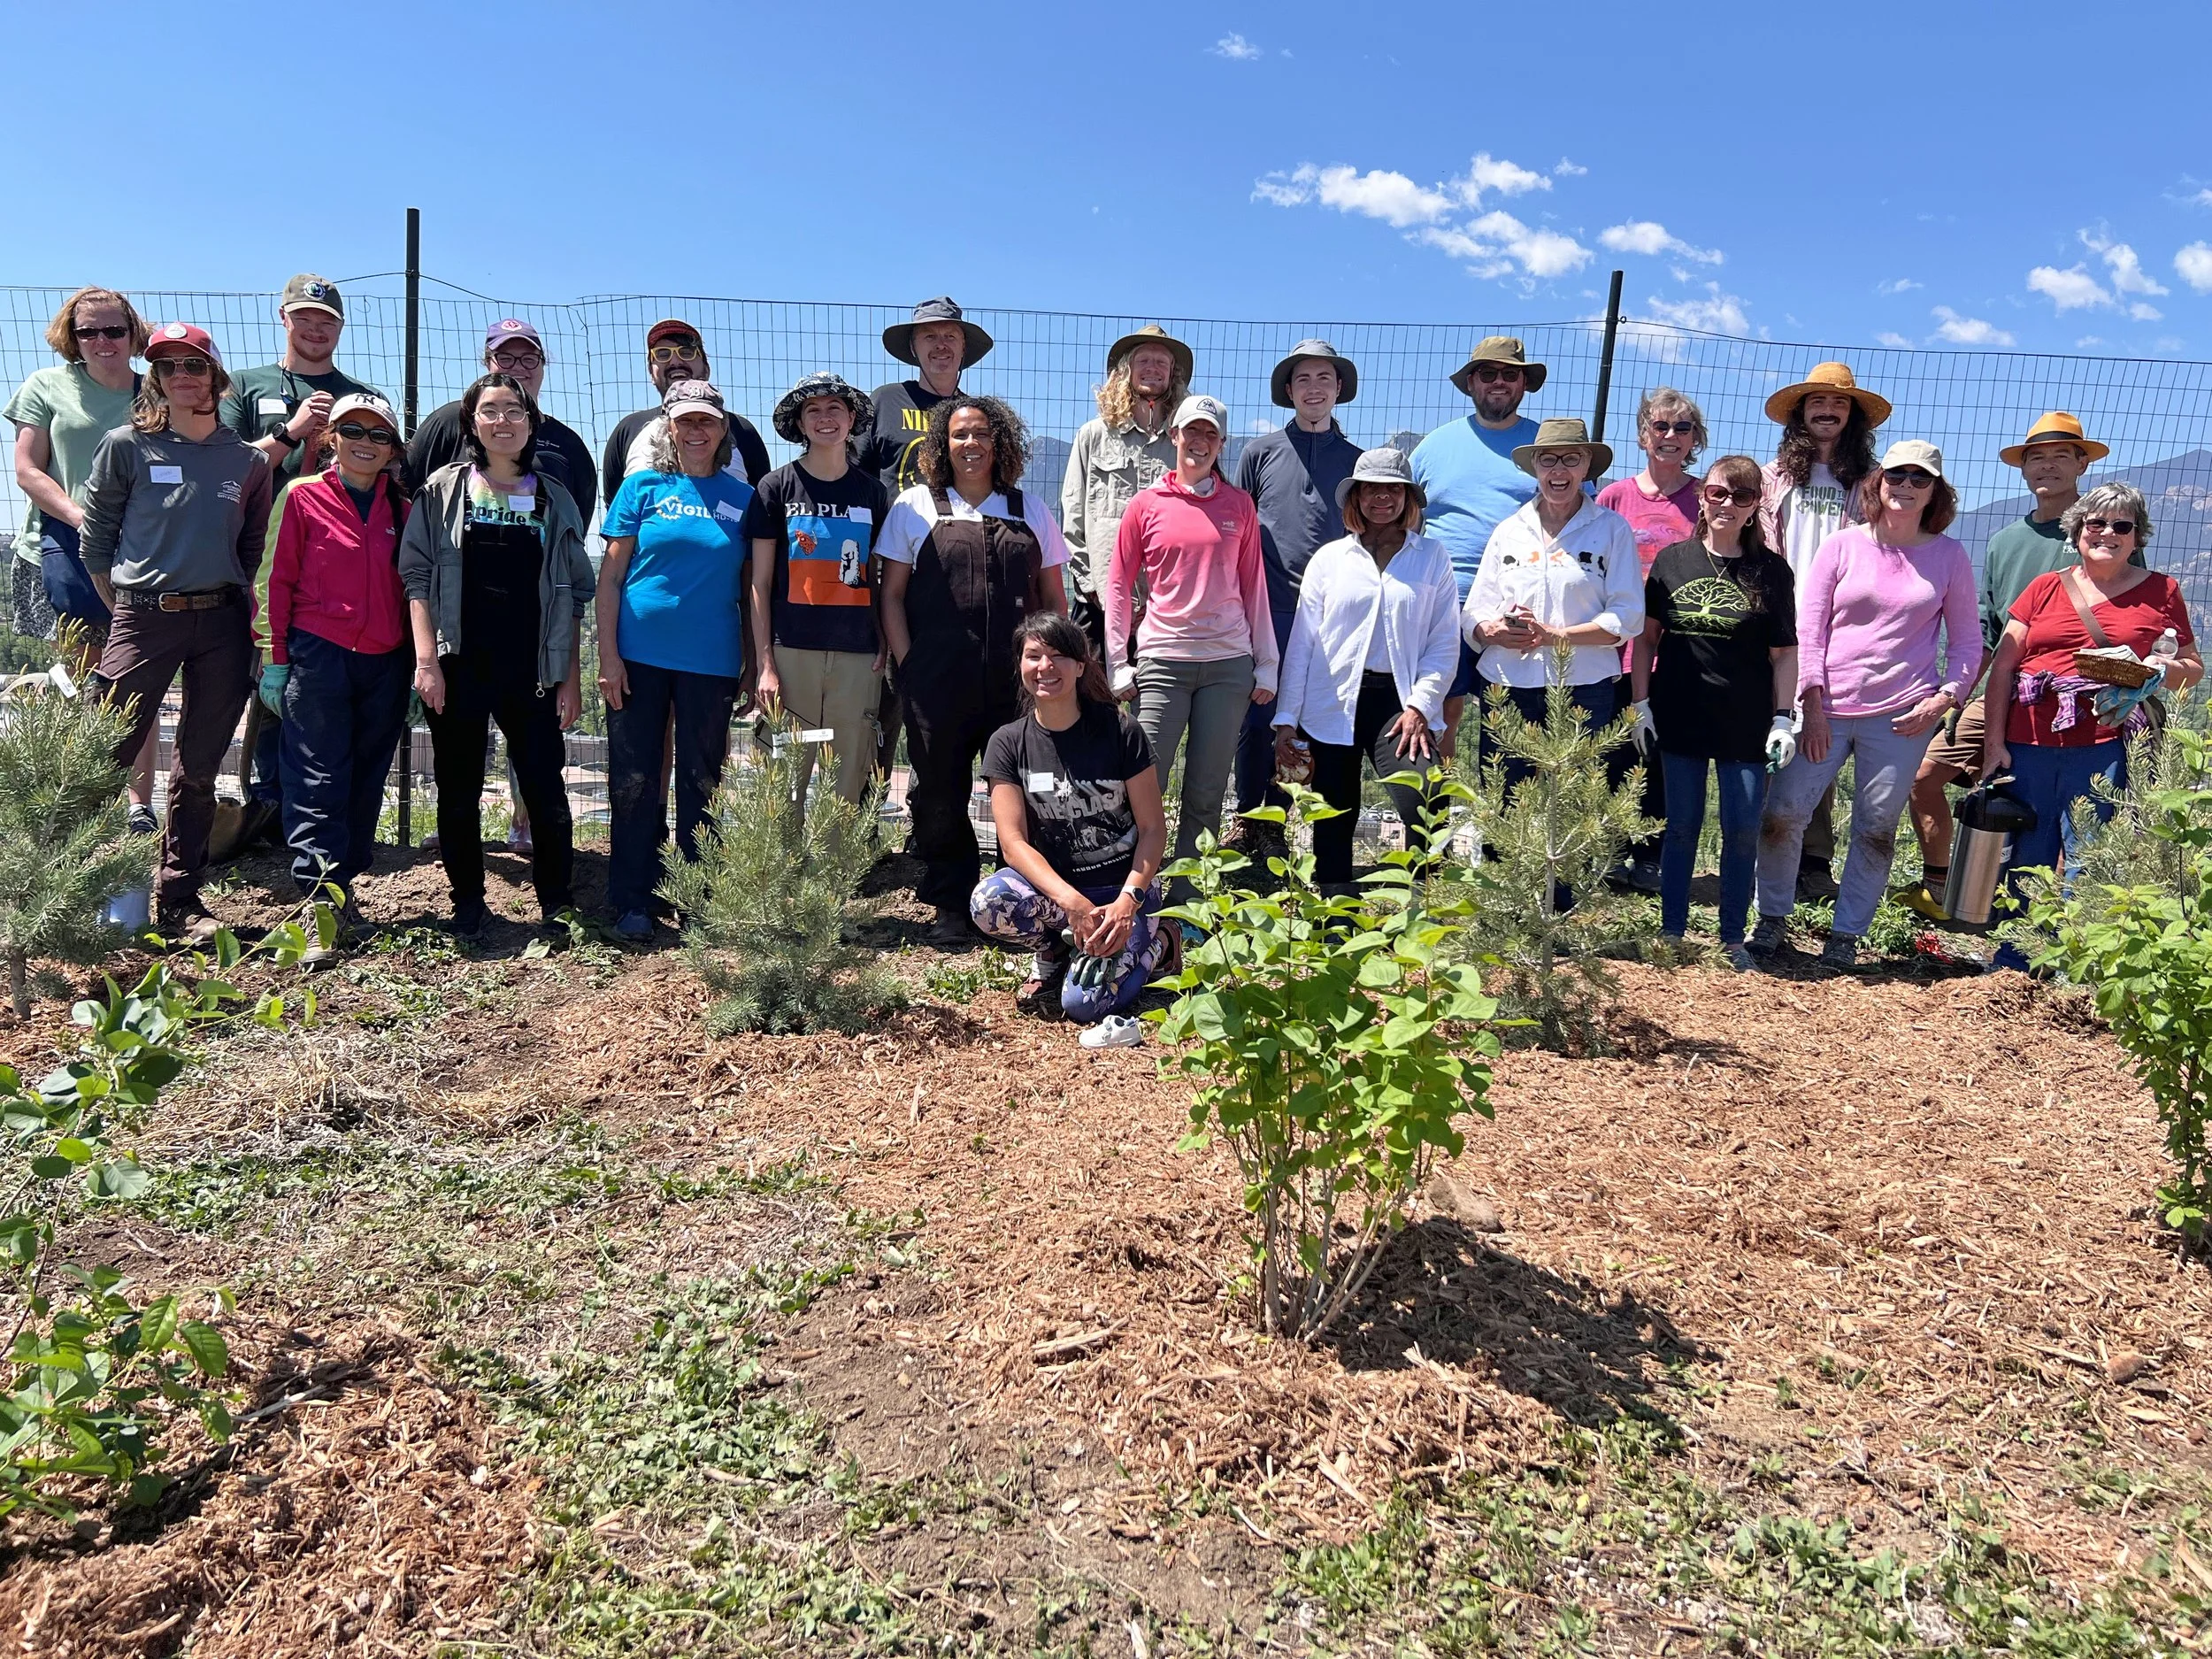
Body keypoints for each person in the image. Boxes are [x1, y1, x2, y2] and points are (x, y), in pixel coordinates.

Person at [77, 323, 273, 945]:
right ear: (156, 380)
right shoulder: (126, 447)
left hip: (220, 622)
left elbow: (250, 550)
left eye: (194, 365)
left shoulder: (244, 461)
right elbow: (96, 540)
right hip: (142, 617)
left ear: (216, 376)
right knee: (102, 753)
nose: (182, 376)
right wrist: (127, 608)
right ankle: (71, 896)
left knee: (197, 766)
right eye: (168, 367)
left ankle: (181, 898)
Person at [1751, 442, 1980, 972]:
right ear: (1877, 484)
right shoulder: (1842, 546)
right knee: (1782, 815)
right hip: (1827, 708)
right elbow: (1808, 628)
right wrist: (1811, 699)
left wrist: (1944, 699)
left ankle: (1847, 934)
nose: (1905, 487)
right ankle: (1772, 918)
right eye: (1895, 476)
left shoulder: (1949, 557)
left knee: (1876, 828)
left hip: (1903, 715)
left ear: (1935, 492)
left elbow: (1967, 642)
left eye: (1918, 480)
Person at [400, 373, 594, 940]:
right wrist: (426, 662)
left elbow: (576, 591)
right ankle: (468, 905)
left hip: (531, 668)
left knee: (545, 788)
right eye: (490, 410)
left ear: (531, 422)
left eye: (514, 410)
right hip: (458, 665)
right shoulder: (441, 490)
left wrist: (569, 678)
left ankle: (558, 904)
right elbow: (416, 577)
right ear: (472, 424)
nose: (502, 421)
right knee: (458, 789)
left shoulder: (553, 497)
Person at [1981, 482, 2200, 968]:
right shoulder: (2044, 587)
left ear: (2138, 536)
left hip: (2107, 742)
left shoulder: (2163, 591)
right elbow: (2004, 667)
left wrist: (2157, 671)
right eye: (2095, 524)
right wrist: (1992, 742)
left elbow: (2192, 666)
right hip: (2029, 739)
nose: (2107, 534)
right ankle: (2017, 962)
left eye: (2121, 525)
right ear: (2076, 531)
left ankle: (2080, 964)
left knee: (2092, 853)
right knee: (2028, 852)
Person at [879, 395, 1071, 946]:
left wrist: (1050, 670)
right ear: (942, 445)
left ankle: (1027, 901)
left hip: (1016, 684)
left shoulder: (1030, 510)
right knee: (941, 791)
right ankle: (951, 902)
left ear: (1000, 443)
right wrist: (909, 662)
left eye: (981, 434)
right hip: (936, 678)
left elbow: (1053, 598)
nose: (970, 444)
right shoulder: (913, 507)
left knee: (1028, 789)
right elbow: (890, 595)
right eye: (959, 434)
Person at [1902, 411, 2109, 917]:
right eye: (2037, 457)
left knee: (2061, 811)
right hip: (2002, 687)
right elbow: (1988, 633)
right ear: (2022, 469)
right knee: (1924, 778)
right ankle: (1946, 887)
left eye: (2062, 455)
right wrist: (1960, 695)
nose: (2048, 467)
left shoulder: (2103, 532)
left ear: (2082, 463)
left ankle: (2045, 917)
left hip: (2075, 697)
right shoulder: (2004, 542)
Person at [595, 382, 753, 943]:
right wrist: (608, 656)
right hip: (638, 656)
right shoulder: (641, 487)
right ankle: (633, 897)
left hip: (711, 659)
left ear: (722, 431)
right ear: (669, 429)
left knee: (701, 779)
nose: (696, 431)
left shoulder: (743, 498)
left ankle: (696, 897)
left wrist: (755, 663)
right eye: (685, 422)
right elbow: (609, 578)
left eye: (707, 422)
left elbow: (752, 585)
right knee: (635, 778)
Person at [1630, 455, 1798, 970]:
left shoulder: (1771, 572)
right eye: (1719, 493)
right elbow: (1646, 640)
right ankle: (1673, 931)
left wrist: (1783, 717)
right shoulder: (1672, 562)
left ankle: (1730, 938)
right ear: (1703, 496)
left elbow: (1784, 652)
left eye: (1742, 496)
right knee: (1679, 827)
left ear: (1755, 506)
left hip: (1745, 721)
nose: (1728, 504)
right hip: (1679, 713)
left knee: (1742, 828)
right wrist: (1641, 705)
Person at [260, 394, 411, 949]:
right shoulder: (301, 497)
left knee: (367, 774)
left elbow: (415, 589)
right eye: (353, 430)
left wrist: (417, 662)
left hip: (386, 660)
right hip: (319, 655)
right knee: (318, 774)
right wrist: (275, 660)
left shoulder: (405, 508)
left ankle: (343, 886)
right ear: (332, 438)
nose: (365, 443)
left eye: (378, 434)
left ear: (393, 448)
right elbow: (273, 581)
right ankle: (318, 901)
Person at [1106, 395, 1278, 882]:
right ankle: (1135, 890)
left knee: (1205, 792)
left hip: (1228, 665)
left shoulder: (1239, 506)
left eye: (1211, 435)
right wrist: (1118, 661)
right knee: (1145, 784)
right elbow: (1119, 585)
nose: (1200, 443)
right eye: (1192, 432)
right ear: (1174, 436)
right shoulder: (1146, 505)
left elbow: (1254, 587)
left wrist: (1266, 663)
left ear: (1221, 444)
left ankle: (1186, 900)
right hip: (1163, 661)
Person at [972, 611, 1171, 1030]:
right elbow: (1013, 844)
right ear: (1020, 666)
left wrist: (1128, 901)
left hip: (1122, 895)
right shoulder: (1007, 743)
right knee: (988, 903)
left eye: (1059, 656)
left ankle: (1162, 941)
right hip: (1061, 898)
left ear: (1081, 666)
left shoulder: (1121, 731)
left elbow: (1153, 830)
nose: (1045, 667)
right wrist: (1071, 903)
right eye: (1033, 656)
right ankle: (1056, 949)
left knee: (1084, 1007)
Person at [6, 286, 157, 828]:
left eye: (113, 330)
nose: (101, 341)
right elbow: (28, 469)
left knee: (137, 675)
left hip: (141, 550)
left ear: (132, 334)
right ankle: (84, 801)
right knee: (86, 674)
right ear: (71, 337)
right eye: (87, 331)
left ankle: (138, 804)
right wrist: (80, 518)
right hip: (65, 543)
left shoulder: (155, 392)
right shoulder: (45, 387)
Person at [1271, 448, 1456, 887]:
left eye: (1393, 489)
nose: (1382, 498)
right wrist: (1286, 719)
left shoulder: (1432, 557)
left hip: (1400, 704)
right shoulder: (1329, 560)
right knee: (1334, 813)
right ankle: (1335, 916)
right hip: (1331, 701)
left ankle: (1416, 904)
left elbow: (1444, 643)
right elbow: (1302, 645)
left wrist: (1420, 705)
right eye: (1371, 488)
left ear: (1407, 497)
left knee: (1422, 799)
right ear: (1356, 496)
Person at [1759, 361, 1887, 902]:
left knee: (1821, 734)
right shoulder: (1772, 478)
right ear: (1800, 414)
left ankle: (1814, 857)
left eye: (1838, 404)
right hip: (1777, 616)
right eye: (1817, 403)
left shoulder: (1873, 482)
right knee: (1770, 726)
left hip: (1841, 624)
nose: (1827, 410)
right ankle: (1757, 848)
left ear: (1853, 415)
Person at [1229, 337, 1362, 861]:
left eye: (1324, 379)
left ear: (1339, 390)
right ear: (1288, 390)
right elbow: (1240, 529)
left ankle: (1289, 817)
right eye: (1303, 379)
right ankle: (1251, 818)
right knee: (1257, 716)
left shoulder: (1355, 461)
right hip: (1269, 608)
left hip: (1334, 614)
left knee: (1310, 719)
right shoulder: (1258, 453)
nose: (1314, 388)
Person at [1461, 417, 1642, 780]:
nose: (1559, 471)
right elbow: (1474, 611)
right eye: (1548, 460)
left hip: (1584, 687)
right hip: (1508, 682)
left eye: (1571, 459)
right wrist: (1490, 631)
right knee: (1506, 805)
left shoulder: (1611, 529)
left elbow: (1628, 615)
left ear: (1587, 466)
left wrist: (1555, 636)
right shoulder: (1509, 530)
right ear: (1535, 468)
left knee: (1577, 811)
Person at [865, 296, 995, 787]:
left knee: (939, 707)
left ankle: (930, 823)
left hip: (950, 579)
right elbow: (857, 478)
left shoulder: (973, 416)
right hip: (889, 568)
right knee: (881, 705)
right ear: (913, 347)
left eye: (950, 337)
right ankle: (867, 821)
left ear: (964, 348)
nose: (941, 346)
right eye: (929, 337)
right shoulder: (885, 402)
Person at [746, 372, 887, 806]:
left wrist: (882, 640)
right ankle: (780, 875)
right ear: (801, 425)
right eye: (813, 411)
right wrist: (765, 662)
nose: (825, 419)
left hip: (857, 657)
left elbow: (879, 576)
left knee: (846, 778)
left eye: (834, 410)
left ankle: (836, 873)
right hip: (792, 653)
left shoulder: (874, 494)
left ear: (851, 420)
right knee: (783, 777)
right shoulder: (775, 487)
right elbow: (760, 583)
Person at [1596, 388, 1708, 893]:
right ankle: (1610, 850)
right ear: (1643, 433)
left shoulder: (1708, 498)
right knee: (1614, 754)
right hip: (1615, 650)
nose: (1670, 436)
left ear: (1694, 439)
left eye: (1681, 428)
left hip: (1682, 653)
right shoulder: (1614, 497)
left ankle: (1652, 855)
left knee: (1665, 758)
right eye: (1660, 426)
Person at [1409, 337, 1544, 757]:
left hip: (1520, 606)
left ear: (1524, 384)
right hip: (1441, 602)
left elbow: (1578, 520)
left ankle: (1504, 819)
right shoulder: (1433, 446)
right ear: (1471, 383)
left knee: (1511, 725)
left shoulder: (1546, 449)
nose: (1499, 382)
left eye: (1510, 374)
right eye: (1488, 373)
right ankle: (1435, 815)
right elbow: (1407, 520)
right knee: (1440, 714)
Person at [1062, 324, 1193, 654]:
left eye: (1161, 362)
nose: (1153, 368)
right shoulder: (1093, 436)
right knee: (1091, 700)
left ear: (1173, 373)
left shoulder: (1187, 444)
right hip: (1099, 600)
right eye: (1143, 360)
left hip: (1168, 606)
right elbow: (1073, 514)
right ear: (1126, 372)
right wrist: (1093, 587)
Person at [403, 319, 597, 518]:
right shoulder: (448, 423)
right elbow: (407, 493)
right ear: (488, 363)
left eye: (529, 359)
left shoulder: (568, 444)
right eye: (505, 358)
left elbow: (576, 525)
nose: (517, 367)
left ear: (543, 364)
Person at [598, 318, 772, 508]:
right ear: (651, 372)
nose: (675, 361)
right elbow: (616, 510)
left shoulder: (742, 431)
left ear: (706, 369)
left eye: (687, 353)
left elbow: (764, 510)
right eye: (662, 354)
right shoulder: (629, 429)